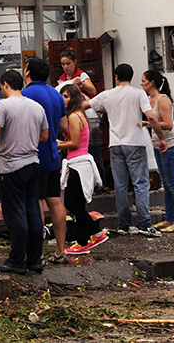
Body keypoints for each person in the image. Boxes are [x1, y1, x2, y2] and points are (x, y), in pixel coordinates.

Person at [87, 63, 166, 238]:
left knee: (120, 185)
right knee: (140, 183)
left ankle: (124, 225)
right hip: (135, 143)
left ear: (116, 77)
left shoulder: (107, 95)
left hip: (115, 144)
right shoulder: (139, 93)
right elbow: (151, 116)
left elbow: (87, 104)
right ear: (131, 76)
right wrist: (161, 137)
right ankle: (144, 224)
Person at [0, 70, 49, 274]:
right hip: (33, 163)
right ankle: (34, 259)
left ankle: (16, 260)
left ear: (5, 85)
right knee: (33, 211)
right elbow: (45, 136)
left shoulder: (3, 105)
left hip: (11, 166)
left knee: (15, 214)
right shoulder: (36, 106)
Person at [22, 58, 68, 264]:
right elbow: (64, 126)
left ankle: (37, 252)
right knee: (55, 201)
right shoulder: (55, 94)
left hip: (34, 155)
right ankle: (60, 250)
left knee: (35, 201)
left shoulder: (26, 94)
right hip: (52, 155)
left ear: (27, 72)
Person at [58, 84, 107, 255]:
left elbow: (75, 144)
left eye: (65, 96)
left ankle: (82, 243)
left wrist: (58, 145)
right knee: (72, 203)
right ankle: (96, 233)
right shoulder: (80, 115)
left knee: (76, 205)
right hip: (76, 163)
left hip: (78, 164)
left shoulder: (74, 116)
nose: (63, 99)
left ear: (73, 98)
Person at [141, 70, 174, 233]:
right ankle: (169, 219)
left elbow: (168, 124)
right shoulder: (148, 99)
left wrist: (148, 123)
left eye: (143, 80)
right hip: (157, 145)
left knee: (173, 184)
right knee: (165, 184)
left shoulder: (162, 99)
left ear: (151, 82)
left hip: (171, 145)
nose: (141, 83)